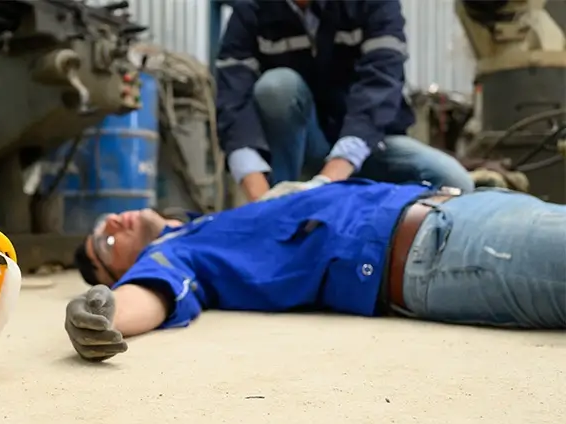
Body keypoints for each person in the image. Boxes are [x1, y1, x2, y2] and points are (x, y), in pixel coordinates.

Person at [66, 180, 565, 361]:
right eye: (107, 242)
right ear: (118, 272)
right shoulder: (174, 254)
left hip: (463, 209)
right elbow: (151, 291)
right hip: (442, 251)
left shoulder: (205, 224)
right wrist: (102, 313)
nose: (113, 223)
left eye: (103, 222)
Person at [215, 0, 474, 202]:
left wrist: (328, 180)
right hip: (302, 148)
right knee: (277, 87)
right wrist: (261, 198)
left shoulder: (372, 4)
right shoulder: (251, 9)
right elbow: (233, 102)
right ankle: (283, 203)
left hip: (366, 143)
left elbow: (380, 83)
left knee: (453, 182)